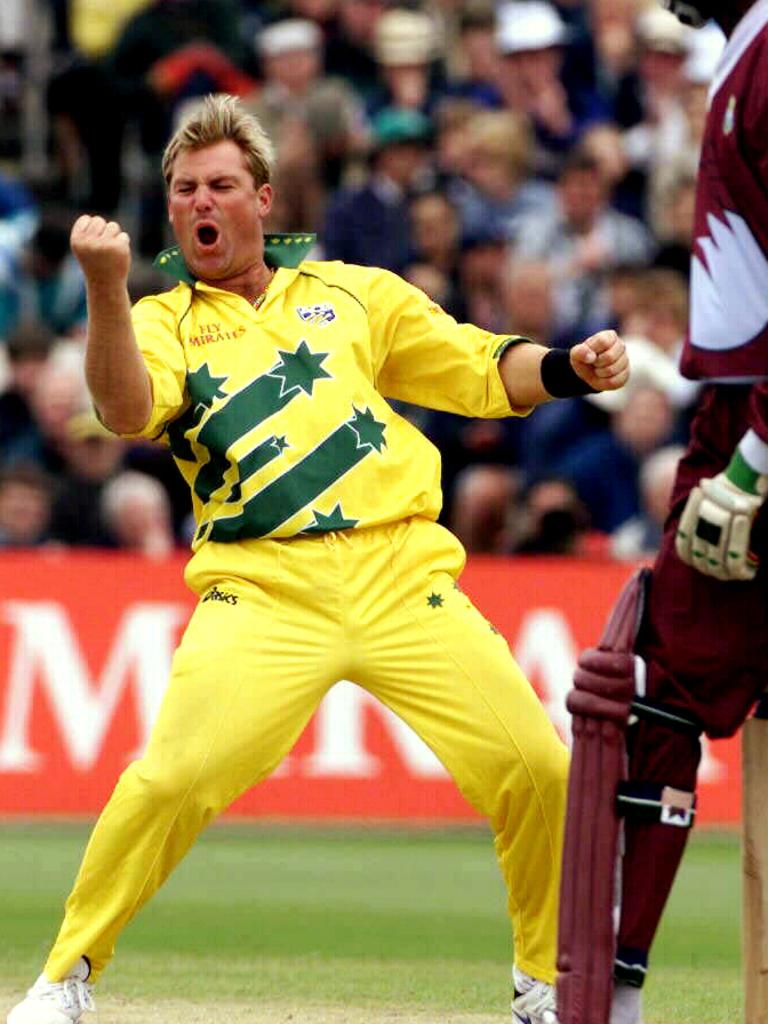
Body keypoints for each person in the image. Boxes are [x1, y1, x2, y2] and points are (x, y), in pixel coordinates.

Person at [5, 93, 629, 1024]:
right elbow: (129, 412)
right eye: (183, 190)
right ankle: (63, 979)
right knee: (172, 780)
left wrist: (570, 366)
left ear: (263, 199)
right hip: (264, 589)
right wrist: (106, 286)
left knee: (540, 771)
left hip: (398, 576)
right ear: (171, 211)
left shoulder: (353, 294)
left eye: (221, 185)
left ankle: (542, 982)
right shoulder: (165, 319)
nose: (200, 201)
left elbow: (474, 367)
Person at [560, 4, 768, 1023]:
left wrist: (757, 456)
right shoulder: (740, 48)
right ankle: (612, 995)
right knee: (649, 685)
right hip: (737, 406)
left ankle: (608, 998)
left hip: (757, 418)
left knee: (650, 691)